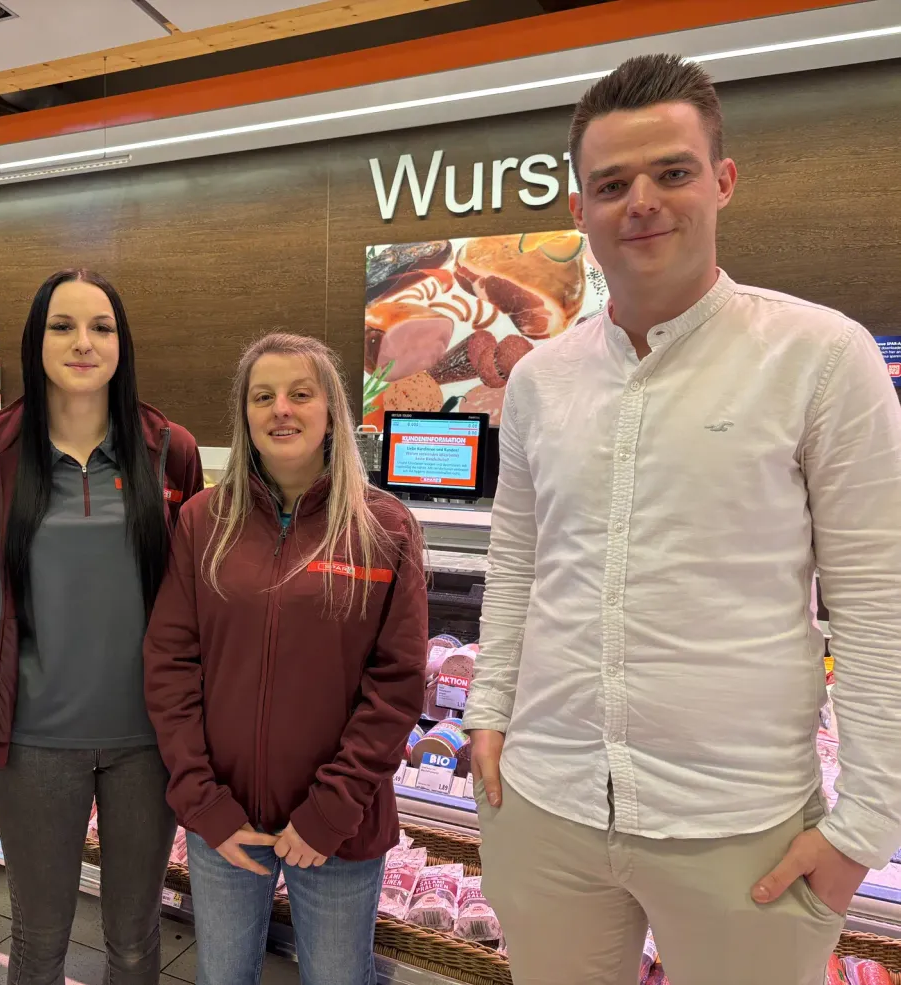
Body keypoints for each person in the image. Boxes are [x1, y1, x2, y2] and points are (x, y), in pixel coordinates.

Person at [463, 53, 901, 985]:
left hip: (742, 829)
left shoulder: (822, 357)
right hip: (545, 807)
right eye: (612, 183)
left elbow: (879, 601)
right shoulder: (540, 380)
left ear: (723, 181)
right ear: (578, 209)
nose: (642, 202)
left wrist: (868, 822)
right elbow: (518, 558)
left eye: (673, 172)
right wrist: (489, 716)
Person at [144, 333, 428, 985]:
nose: (282, 410)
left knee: (336, 974)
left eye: (301, 394)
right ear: (244, 414)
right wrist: (202, 798)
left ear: (330, 410)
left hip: (339, 825)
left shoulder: (383, 527)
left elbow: (397, 684)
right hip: (227, 818)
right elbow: (170, 665)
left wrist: (330, 808)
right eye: (263, 396)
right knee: (222, 975)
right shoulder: (202, 522)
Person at [0, 269, 203, 985]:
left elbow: (191, 597)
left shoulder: (168, 451)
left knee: (133, 936)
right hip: (34, 742)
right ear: (35, 340)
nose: (83, 342)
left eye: (101, 326)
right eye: (63, 325)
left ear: (122, 343)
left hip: (147, 740)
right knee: (37, 940)